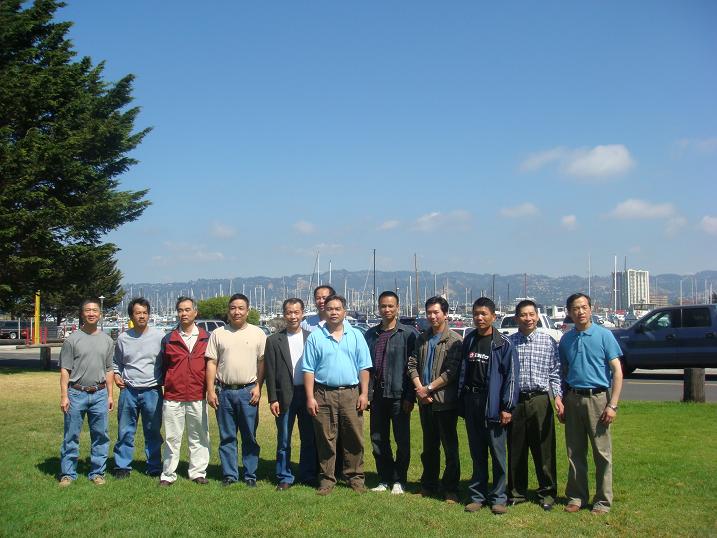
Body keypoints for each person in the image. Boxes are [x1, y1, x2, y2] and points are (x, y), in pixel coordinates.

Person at [559, 293, 623, 515]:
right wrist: (562, 401)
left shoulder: (604, 335)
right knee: (575, 451)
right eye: (575, 308)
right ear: (569, 312)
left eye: (584, 307)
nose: (580, 312)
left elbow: (617, 371)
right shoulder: (566, 340)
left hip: (598, 399)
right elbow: (563, 372)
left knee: (602, 453)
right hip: (573, 398)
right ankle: (576, 496)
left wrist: (612, 405)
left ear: (591, 308)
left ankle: (603, 501)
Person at [303, 295, 372, 496]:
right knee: (326, 438)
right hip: (323, 393)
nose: (333, 312)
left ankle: (355, 477)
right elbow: (308, 369)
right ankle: (326, 479)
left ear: (344, 312)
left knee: (354, 437)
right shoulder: (316, 337)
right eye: (330, 309)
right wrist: (310, 397)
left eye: (337, 308)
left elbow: (364, 367)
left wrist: (364, 393)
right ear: (325, 311)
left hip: (351, 393)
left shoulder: (356, 335)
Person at [459, 297, 519, 515]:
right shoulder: (469, 340)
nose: (479, 318)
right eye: (476, 314)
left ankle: (499, 497)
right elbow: (463, 372)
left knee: (497, 453)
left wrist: (507, 407)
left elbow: (511, 378)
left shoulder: (503, 343)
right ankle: (477, 496)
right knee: (477, 452)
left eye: (484, 314)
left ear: (493, 316)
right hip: (472, 401)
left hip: (493, 403)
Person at [506, 299, 562, 510]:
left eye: (531, 314)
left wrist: (558, 397)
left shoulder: (548, 342)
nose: (528, 318)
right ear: (516, 318)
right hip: (516, 400)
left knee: (544, 448)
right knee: (516, 448)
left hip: (540, 400)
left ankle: (547, 492)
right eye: (523, 315)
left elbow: (555, 373)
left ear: (537, 316)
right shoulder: (509, 342)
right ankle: (516, 492)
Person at [206, 293, 267, 487]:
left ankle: (250, 475)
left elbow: (262, 363)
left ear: (247, 311)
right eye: (233, 308)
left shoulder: (258, 333)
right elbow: (211, 363)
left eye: (241, 308)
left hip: (248, 392)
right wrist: (210, 390)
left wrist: (259, 387)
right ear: (228, 311)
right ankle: (230, 475)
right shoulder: (218, 333)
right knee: (227, 436)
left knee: (249, 436)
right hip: (224, 392)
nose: (236, 312)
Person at [407, 296, 462, 504]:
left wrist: (428, 388)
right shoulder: (422, 338)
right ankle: (428, 484)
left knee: (450, 448)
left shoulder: (454, 340)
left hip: (444, 402)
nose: (432, 316)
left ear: (445, 314)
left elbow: (451, 372)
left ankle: (450, 488)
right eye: (429, 312)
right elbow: (412, 364)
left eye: (436, 312)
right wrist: (419, 388)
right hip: (425, 401)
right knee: (429, 447)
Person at [363, 291, 416, 495]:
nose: (387, 309)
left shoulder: (408, 334)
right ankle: (384, 478)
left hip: (399, 395)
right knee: (378, 439)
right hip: (377, 395)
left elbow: (413, 367)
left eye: (390, 306)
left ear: (397, 308)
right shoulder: (371, 334)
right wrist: (366, 394)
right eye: (383, 306)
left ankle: (399, 480)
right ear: (378, 308)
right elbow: (365, 366)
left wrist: (410, 396)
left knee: (402, 440)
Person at [58, 298, 115, 486]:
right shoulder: (72, 340)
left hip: (99, 394)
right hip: (76, 393)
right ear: (82, 314)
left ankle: (97, 472)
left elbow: (109, 370)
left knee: (100, 435)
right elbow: (65, 370)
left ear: (100, 314)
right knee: (71, 435)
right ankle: (68, 474)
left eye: (95, 310)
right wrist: (64, 396)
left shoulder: (107, 340)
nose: (91, 313)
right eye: (88, 310)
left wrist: (110, 395)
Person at [264, 298, 317, 490]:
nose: (293, 316)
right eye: (289, 312)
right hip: (284, 395)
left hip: (307, 394)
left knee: (309, 437)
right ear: (284, 314)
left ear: (302, 313)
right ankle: (284, 476)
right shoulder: (273, 340)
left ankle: (308, 474)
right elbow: (270, 372)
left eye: (296, 312)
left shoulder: (312, 338)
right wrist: (273, 398)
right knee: (284, 439)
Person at [159, 297, 211, 486]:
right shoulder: (169, 339)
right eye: (180, 310)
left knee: (199, 436)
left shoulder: (206, 338)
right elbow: (163, 366)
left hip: (198, 394)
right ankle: (168, 474)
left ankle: (198, 472)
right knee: (172, 437)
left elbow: (211, 365)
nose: (184, 313)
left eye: (187, 310)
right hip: (173, 396)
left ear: (195, 312)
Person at [112, 297, 165, 478]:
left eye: (145, 313)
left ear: (149, 315)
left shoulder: (159, 336)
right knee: (125, 430)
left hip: (152, 391)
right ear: (131, 316)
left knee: (153, 431)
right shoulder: (123, 338)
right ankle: (122, 466)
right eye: (138, 313)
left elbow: (167, 362)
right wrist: (117, 375)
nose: (142, 316)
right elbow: (116, 362)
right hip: (129, 391)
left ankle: (154, 466)